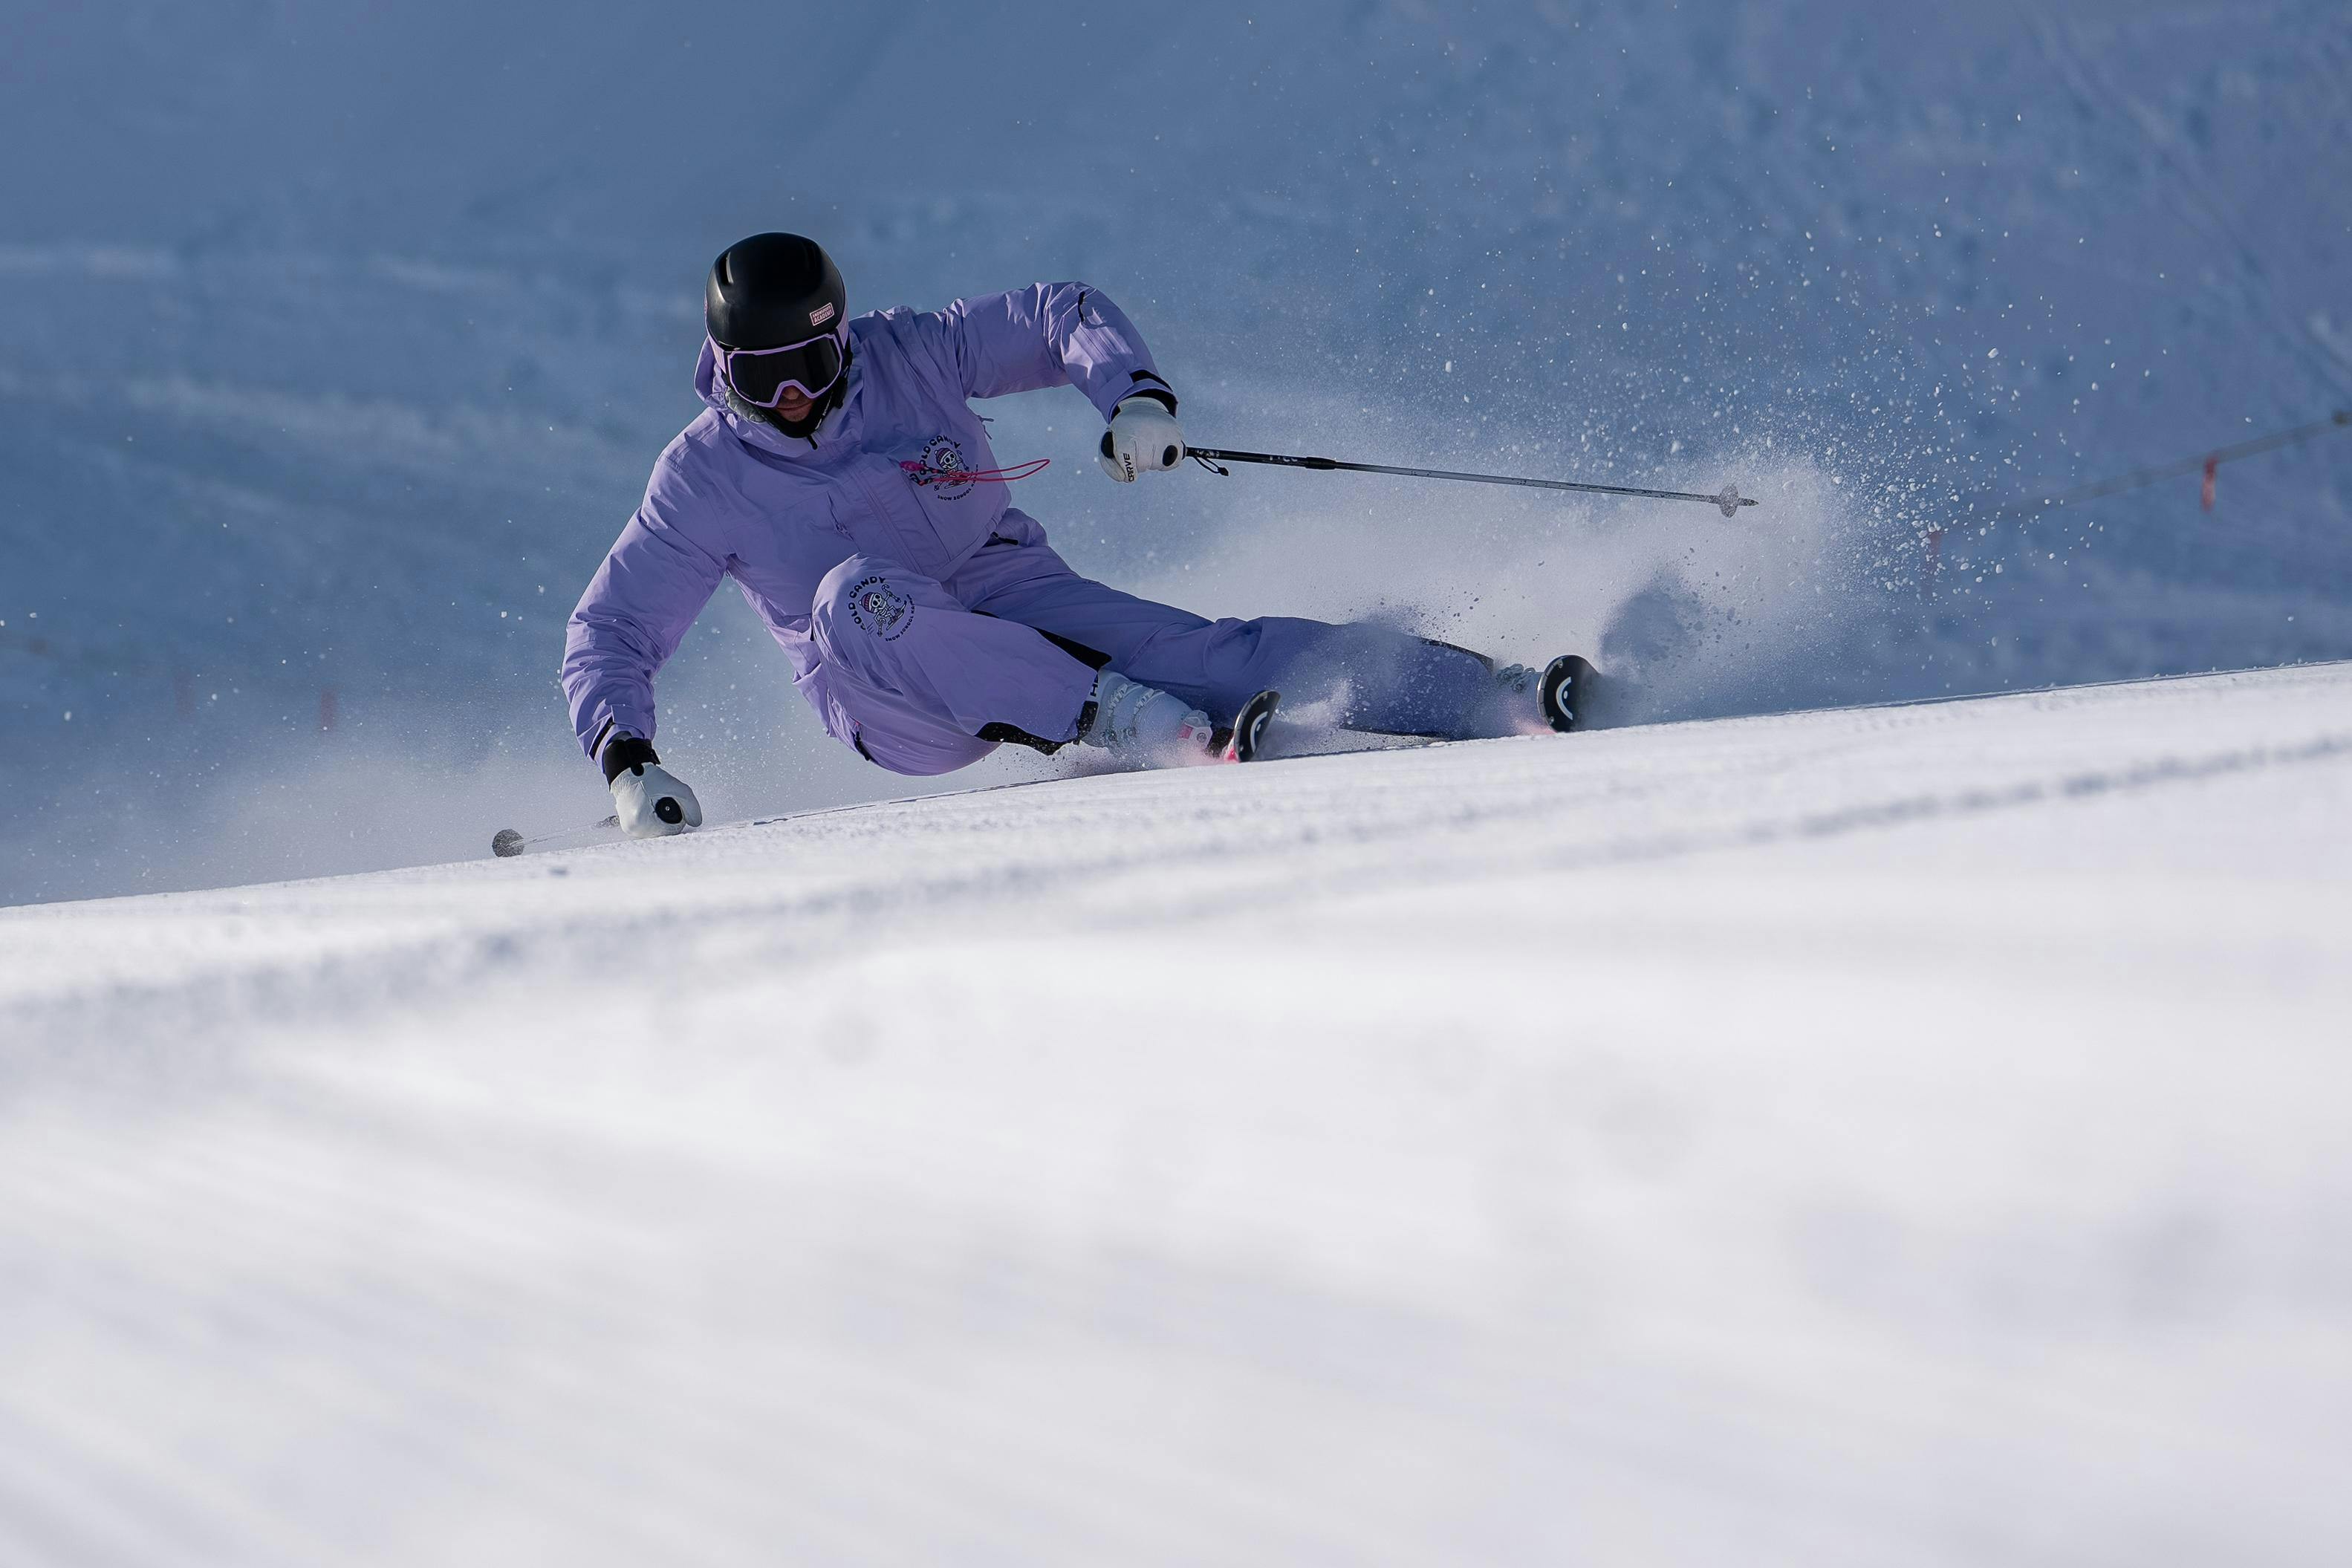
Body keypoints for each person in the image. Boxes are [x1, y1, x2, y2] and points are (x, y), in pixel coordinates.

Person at [562, 233, 1585, 839]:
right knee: (856, 595)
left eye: (812, 367)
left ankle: (1495, 697)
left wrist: (1133, 399)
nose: (791, 399)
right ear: (720, 368)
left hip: (1003, 584)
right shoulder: (701, 478)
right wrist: (629, 762)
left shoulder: (910, 353)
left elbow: (1058, 314)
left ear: (844, 339)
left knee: (1211, 654)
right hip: (886, 692)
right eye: (759, 379)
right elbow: (611, 631)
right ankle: (1121, 720)